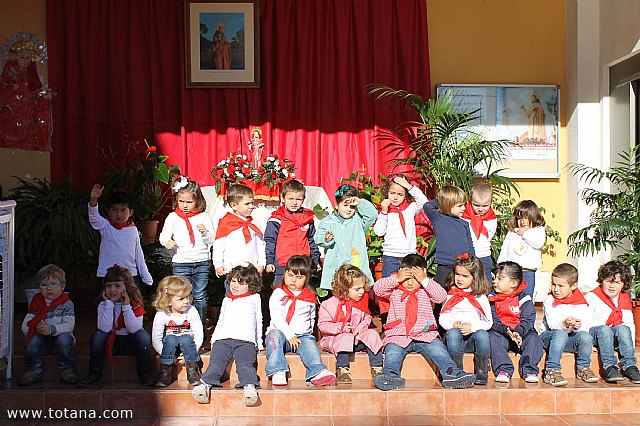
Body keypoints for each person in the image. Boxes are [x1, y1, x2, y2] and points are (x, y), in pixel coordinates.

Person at [372, 254, 476, 390]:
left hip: (425, 335)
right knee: (392, 353)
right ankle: (391, 376)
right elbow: (377, 288)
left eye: (414, 279)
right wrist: (397, 278)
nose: (410, 283)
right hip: (399, 335)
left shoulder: (426, 290)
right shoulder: (394, 291)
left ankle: (452, 374)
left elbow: (441, 297)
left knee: (439, 351)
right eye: (406, 279)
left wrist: (425, 280)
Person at [193, 264, 263, 406]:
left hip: (245, 341)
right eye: (233, 280)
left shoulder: (254, 298)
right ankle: (205, 386)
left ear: (251, 285)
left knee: (245, 365)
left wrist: (259, 341)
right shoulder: (227, 300)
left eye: (240, 282)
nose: (235, 285)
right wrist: (214, 338)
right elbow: (221, 320)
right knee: (215, 365)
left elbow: (258, 320)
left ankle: (249, 387)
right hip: (222, 340)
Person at [265, 255, 336, 386]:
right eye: (290, 275)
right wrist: (289, 335)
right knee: (273, 337)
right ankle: (278, 370)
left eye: (299, 277)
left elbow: (311, 317)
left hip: (301, 336)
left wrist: (308, 333)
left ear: (306, 278)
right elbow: (276, 317)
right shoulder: (278, 293)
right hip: (281, 333)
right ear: (285, 273)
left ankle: (317, 371)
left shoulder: (308, 296)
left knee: (310, 345)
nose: (293, 280)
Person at [78, 265, 153, 387]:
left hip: (129, 343)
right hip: (111, 343)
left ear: (126, 288)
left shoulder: (136, 305)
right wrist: (108, 304)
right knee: (97, 336)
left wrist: (126, 307)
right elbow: (104, 328)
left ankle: (145, 373)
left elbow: (134, 328)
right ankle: (95, 373)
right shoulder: (103, 305)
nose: (112, 290)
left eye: (117, 286)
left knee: (143, 336)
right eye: (108, 286)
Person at [159, 177, 215, 327]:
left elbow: (211, 239)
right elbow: (163, 237)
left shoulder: (204, 216)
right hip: (181, 263)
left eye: (189, 202)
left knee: (200, 295)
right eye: (181, 201)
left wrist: (204, 233)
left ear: (197, 201)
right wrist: (167, 242)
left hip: (201, 262)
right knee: (181, 294)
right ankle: (182, 323)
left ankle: (200, 326)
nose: (184, 205)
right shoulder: (173, 217)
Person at [373, 174, 428, 318]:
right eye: (392, 193)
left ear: (406, 195)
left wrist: (409, 186)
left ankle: (406, 317)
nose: (395, 197)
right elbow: (378, 231)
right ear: (387, 193)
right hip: (390, 256)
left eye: (400, 194)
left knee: (407, 287)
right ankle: (388, 318)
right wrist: (384, 212)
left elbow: (424, 202)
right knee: (389, 288)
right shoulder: (385, 212)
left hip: (407, 256)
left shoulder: (410, 209)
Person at [318, 264, 383, 384]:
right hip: (337, 339)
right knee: (345, 337)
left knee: (372, 334)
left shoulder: (361, 302)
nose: (362, 292)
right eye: (357, 289)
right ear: (344, 288)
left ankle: (377, 367)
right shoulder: (328, 304)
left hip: (357, 340)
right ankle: (342, 369)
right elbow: (323, 325)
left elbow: (367, 317)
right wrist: (339, 327)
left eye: (363, 288)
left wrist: (361, 327)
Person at [540, 263, 598, 386]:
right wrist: (565, 324)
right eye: (554, 284)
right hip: (549, 337)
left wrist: (577, 326)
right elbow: (552, 325)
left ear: (574, 286)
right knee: (560, 334)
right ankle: (551, 370)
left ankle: (583, 368)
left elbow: (585, 325)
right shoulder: (550, 300)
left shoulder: (581, 302)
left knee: (585, 336)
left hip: (568, 339)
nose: (556, 289)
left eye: (561, 286)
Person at [18, 264, 76, 386]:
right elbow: (25, 325)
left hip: (59, 340)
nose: (49, 289)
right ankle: (33, 370)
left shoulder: (66, 303)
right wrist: (36, 328)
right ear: (39, 287)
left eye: (53, 284)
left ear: (62, 286)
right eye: (44, 285)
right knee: (31, 341)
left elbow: (69, 325)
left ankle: (66, 369)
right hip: (42, 342)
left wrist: (52, 329)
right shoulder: (36, 301)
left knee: (65, 339)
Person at [439, 253, 493, 385]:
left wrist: (472, 327)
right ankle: (456, 372)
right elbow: (443, 317)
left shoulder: (480, 297)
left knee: (482, 335)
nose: (459, 279)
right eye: (457, 274)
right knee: (452, 334)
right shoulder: (451, 295)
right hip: (455, 340)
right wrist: (452, 325)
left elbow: (488, 322)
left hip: (473, 340)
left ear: (475, 278)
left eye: (465, 276)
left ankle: (481, 372)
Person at [88, 185, 153, 293]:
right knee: (105, 305)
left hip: (130, 274)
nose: (118, 214)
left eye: (123, 210)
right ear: (108, 211)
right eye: (114, 210)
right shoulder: (105, 225)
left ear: (131, 212)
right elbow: (94, 218)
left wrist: (146, 276)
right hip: (106, 275)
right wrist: (93, 200)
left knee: (129, 306)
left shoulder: (133, 229)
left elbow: (138, 253)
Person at [585, 260, 640, 383]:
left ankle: (630, 366)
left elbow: (630, 324)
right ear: (601, 281)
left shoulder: (624, 299)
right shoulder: (592, 297)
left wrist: (629, 345)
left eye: (617, 282)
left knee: (624, 328)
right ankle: (609, 366)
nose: (612, 286)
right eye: (608, 281)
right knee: (605, 329)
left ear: (623, 284)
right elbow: (584, 321)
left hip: (613, 336)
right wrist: (587, 343)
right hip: (595, 334)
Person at [488, 261, 543, 383]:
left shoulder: (524, 298)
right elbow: (493, 321)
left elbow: (528, 320)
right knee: (492, 337)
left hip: (522, 333)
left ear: (513, 283)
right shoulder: (491, 298)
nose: (495, 281)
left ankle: (529, 370)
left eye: (500, 278)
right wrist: (506, 330)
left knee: (534, 338)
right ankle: (504, 370)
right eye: (494, 278)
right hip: (502, 333)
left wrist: (518, 332)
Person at [315, 184, 378, 290]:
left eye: (352, 207)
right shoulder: (328, 221)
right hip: (336, 268)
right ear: (336, 205)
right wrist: (325, 239)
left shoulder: (358, 221)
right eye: (345, 205)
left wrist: (360, 202)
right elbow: (318, 238)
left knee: (357, 297)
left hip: (356, 269)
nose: (349, 209)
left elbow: (372, 215)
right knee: (338, 300)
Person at [0, 38, 54, 151]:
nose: (25, 60)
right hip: (10, 106)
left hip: (27, 106)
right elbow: (4, 85)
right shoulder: (10, 70)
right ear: (16, 57)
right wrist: (11, 87)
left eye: (28, 58)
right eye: (22, 57)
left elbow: (36, 90)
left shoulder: (32, 74)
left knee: (35, 113)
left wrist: (44, 96)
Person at [265, 179, 321, 286]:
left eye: (298, 199)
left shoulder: (307, 218)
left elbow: (311, 240)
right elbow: (270, 241)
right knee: (280, 293)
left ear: (303, 199)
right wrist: (270, 261)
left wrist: (316, 260)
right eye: (290, 199)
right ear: (283, 198)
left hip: (303, 264)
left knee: (303, 293)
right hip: (283, 264)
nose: (294, 203)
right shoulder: (276, 219)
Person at [212, 184, 266, 293]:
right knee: (231, 298)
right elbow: (218, 245)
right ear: (234, 205)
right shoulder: (226, 223)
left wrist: (261, 263)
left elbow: (261, 245)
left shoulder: (255, 224)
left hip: (251, 271)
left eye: (252, 203)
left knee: (251, 298)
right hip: (232, 271)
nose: (251, 206)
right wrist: (218, 264)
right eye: (247, 204)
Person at [152, 275, 204, 388]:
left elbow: (198, 333)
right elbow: (156, 339)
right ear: (169, 301)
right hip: (169, 348)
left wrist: (190, 354)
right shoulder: (162, 314)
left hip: (188, 347)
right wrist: (167, 356)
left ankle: (192, 371)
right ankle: (165, 373)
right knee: (170, 339)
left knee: (186, 338)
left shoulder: (191, 310)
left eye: (187, 297)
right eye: (181, 299)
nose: (186, 301)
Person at [423, 185, 475, 287]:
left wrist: (473, 261)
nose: (464, 208)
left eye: (464, 205)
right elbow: (427, 206)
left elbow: (470, 245)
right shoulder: (438, 218)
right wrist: (442, 199)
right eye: (460, 206)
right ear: (448, 204)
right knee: (441, 292)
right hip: (444, 265)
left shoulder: (464, 224)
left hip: (462, 266)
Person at [497, 200, 546, 300]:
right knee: (510, 297)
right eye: (519, 218)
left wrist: (524, 233)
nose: (523, 221)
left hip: (528, 272)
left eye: (526, 218)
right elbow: (505, 249)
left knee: (526, 298)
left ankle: (526, 315)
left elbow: (538, 243)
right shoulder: (512, 232)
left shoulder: (538, 230)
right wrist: (500, 266)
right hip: (512, 272)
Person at [461, 183, 497, 283]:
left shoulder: (492, 219)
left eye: (485, 205)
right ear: (470, 201)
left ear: (491, 203)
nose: (480, 209)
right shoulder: (463, 217)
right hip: (468, 256)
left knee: (485, 283)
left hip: (484, 256)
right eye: (476, 205)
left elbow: (489, 237)